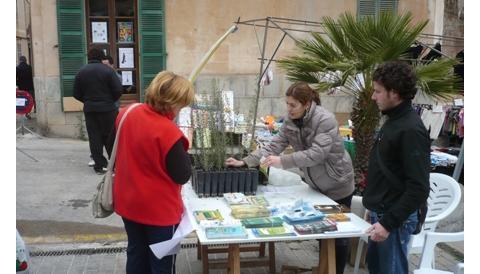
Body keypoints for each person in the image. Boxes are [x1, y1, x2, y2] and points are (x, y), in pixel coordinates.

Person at [225, 82, 355, 274]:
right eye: (287, 103)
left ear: (307, 104)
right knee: (322, 233)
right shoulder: (290, 121)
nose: (289, 108)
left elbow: (316, 154)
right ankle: (325, 269)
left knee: (338, 236)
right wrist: (245, 162)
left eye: (293, 105)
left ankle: (336, 271)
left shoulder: (325, 120)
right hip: (316, 184)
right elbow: (273, 145)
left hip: (338, 183)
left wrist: (282, 161)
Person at [113, 71, 194, 273]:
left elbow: (115, 147)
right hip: (160, 212)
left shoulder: (127, 112)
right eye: (181, 104)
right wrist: (187, 150)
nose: (180, 109)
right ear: (172, 102)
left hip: (129, 202)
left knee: (136, 254)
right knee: (162, 264)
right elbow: (182, 175)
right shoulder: (169, 132)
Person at [363, 61, 430, 274]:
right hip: (382, 212)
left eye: (378, 91)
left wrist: (388, 224)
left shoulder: (411, 129)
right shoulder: (393, 120)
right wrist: (372, 205)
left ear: (395, 93)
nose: (373, 97)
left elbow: (419, 187)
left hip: (393, 219)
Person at [73, 48, 122, 174]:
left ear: (89, 57)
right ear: (102, 57)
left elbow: (75, 93)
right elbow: (118, 90)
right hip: (108, 109)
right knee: (111, 137)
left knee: (94, 137)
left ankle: (99, 166)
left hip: (90, 110)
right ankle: (115, 164)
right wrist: (110, 100)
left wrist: (87, 101)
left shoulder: (81, 72)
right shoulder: (108, 71)